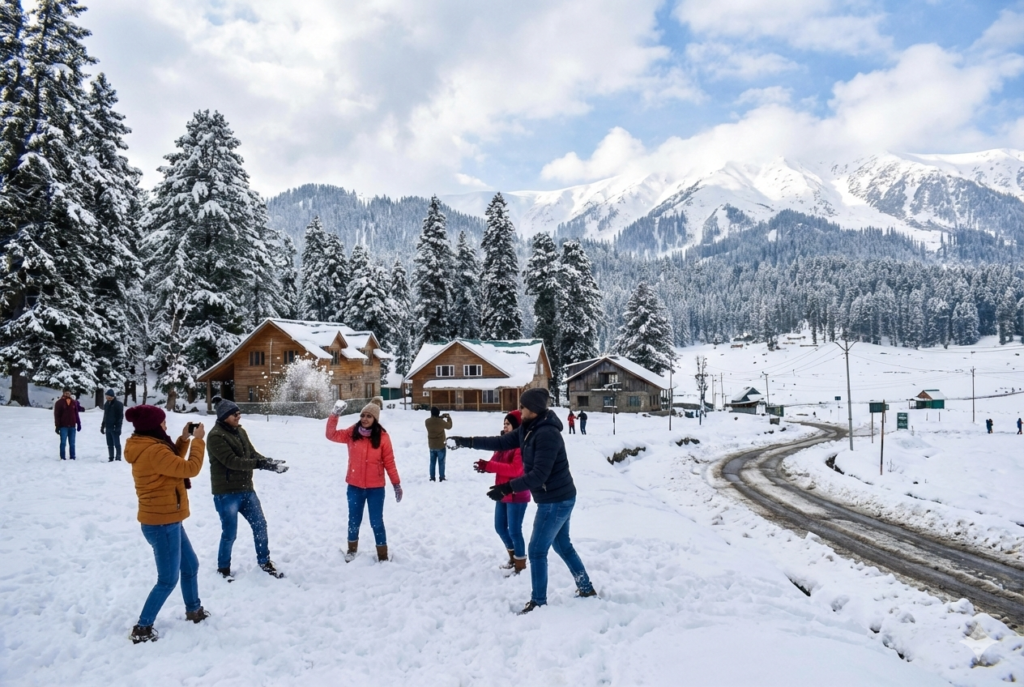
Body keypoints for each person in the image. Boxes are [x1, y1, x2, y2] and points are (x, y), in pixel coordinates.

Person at [452, 387, 596, 614]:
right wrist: (466, 441)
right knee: (562, 545)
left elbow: (539, 474)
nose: (519, 409)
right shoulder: (528, 429)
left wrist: (506, 488)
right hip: (557, 498)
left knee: (537, 550)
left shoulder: (547, 434)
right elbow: (499, 443)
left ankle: (539, 601)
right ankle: (585, 587)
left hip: (555, 500)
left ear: (535, 409)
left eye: (523, 406)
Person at [124, 405, 208, 644]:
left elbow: (171, 462)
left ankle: (194, 610)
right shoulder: (153, 451)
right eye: (162, 423)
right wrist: (198, 442)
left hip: (167, 519)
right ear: (153, 426)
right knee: (167, 579)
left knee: (190, 565)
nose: (165, 426)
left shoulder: (150, 445)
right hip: (162, 523)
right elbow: (190, 468)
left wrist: (183, 439)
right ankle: (142, 627)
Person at [206, 400, 288, 580]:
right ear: (223, 416)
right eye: (234, 414)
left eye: (239, 412)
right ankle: (223, 569)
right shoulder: (215, 436)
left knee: (260, 525)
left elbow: (251, 454)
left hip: (246, 490)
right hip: (226, 493)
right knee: (229, 533)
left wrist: (268, 463)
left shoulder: (240, 431)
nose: (238, 416)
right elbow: (232, 462)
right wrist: (260, 464)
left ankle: (264, 561)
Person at [326, 402, 402, 562]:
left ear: (375, 419)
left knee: (376, 522)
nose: (365, 419)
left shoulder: (383, 437)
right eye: (362, 415)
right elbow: (331, 435)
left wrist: (396, 483)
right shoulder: (352, 433)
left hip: (376, 489)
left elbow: (389, 461)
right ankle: (351, 550)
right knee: (354, 520)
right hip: (354, 486)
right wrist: (334, 415)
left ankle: (383, 555)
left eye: (369, 416)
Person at [473, 410, 530, 574]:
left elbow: (516, 470)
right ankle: (513, 557)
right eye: (504, 424)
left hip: (517, 493)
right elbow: (494, 463)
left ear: (517, 426)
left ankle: (520, 564)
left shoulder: (521, 445)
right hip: (502, 492)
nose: (505, 427)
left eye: (508, 424)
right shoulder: (505, 444)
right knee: (500, 527)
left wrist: (489, 466)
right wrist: (486, 465)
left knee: (514, 530)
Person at [425, 406, 452, 482]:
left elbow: (434, 420)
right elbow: (449, 426)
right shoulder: (441, 422)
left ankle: (432, 478)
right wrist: (448, 418)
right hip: (440, 445)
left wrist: (439, 417)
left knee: (432, 462)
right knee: (441, 462)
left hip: (432, 445)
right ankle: (442, 477)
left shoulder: (427, 422)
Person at [53, 388, 80, 460]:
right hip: (63, 426)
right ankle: (62, 457)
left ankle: (72, 456)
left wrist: (79, 423)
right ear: (63, 393)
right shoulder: (59, 403)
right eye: (66, 393)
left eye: (68, 393)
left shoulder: (73, 402)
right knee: (63, 443)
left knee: (72, 443)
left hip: (72, 426)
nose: (67, 394)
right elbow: (57, 415)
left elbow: (76, 414)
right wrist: (57, 426)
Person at [101, 389, 124, 462]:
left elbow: (120, 417)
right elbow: (105, 415)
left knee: (116, 443)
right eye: (107, 396)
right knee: (109, 443)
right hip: (108, 426)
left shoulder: (118, 404)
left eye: (109, 396)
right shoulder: (106, 404)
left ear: (112, 396)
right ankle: (111, 457)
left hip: (115, 427)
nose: (108, 398)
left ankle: (118, 457)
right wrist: (103, 425)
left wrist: (118, 427)